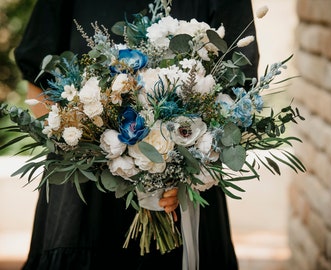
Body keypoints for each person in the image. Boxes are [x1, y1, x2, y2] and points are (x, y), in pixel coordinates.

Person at [14, 0, 259, 269]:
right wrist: (80, 140)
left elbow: (238, 92)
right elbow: (38, 84)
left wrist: (188, 172)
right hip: (84, 195)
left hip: (183, 195)